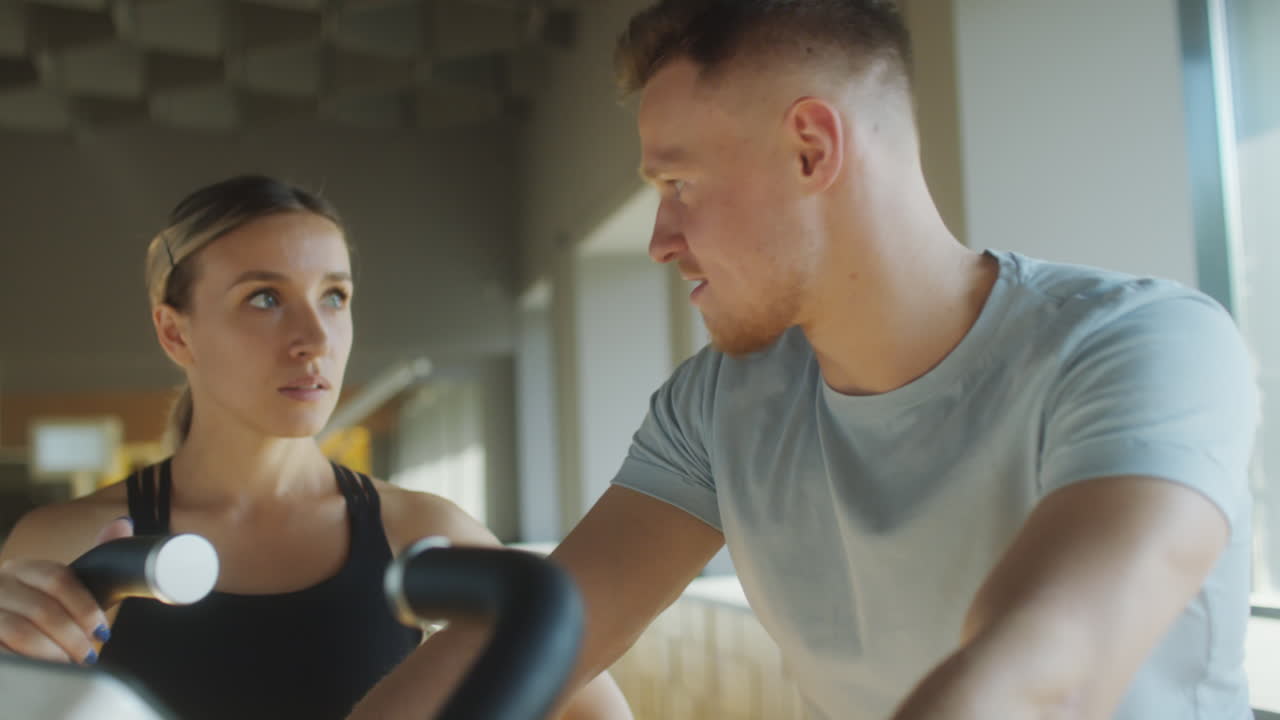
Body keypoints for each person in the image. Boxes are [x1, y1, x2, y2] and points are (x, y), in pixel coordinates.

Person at [350, 2, 1260, 719]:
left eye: (678, 185)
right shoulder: (718, 405)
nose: (662, 239)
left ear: (812, 148)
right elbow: (539, 632)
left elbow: (1042, 677)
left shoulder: (1138, 348)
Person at [0, 175, 631, 720]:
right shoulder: (62, 543)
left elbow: (594, 708)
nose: (314, 337)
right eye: (265, 298)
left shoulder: (418, 528)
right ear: (174, 332)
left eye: (335, 296)